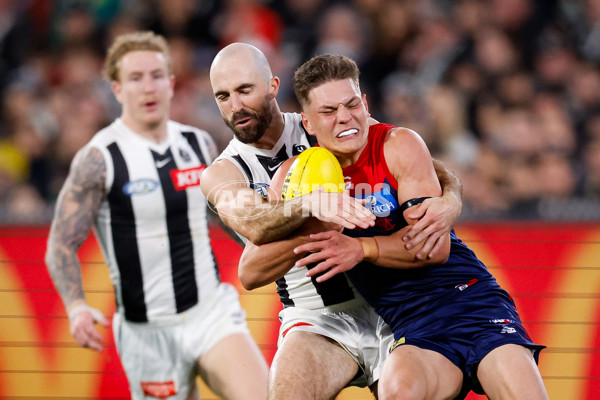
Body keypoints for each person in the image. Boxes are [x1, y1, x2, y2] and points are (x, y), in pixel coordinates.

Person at [202, 42, 463, 399]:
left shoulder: (323, 118)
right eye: (223, 96)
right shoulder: (224, 173)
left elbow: (410, 158)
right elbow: (254, 226)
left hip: (394, 301)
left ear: (273, 86)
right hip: (317, 317)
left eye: (245, 90)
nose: (236, 106)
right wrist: (310, 206)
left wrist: (451, 197)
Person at [285, 54, 549, 399]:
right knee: (399, 393)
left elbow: (434, 249)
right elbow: (250, 263)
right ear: (307, 122)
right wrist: (295, 209)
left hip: (470, 299)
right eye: (329, 111)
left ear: (365, 103)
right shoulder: (301, 176)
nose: (345, 118)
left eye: (351, 104)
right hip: (411, 323)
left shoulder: (398, 145)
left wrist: (362, 248)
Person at [45, 32, 268, 400]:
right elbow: (60, 244)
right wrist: (76, 307)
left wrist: (265, 244)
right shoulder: (99, 159)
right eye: (135, 78)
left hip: (210, 314)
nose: (147, 87)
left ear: (171, 83)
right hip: (147, 335)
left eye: (156, 75)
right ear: (117, 89)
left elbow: (222, 216)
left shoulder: (198, 143)